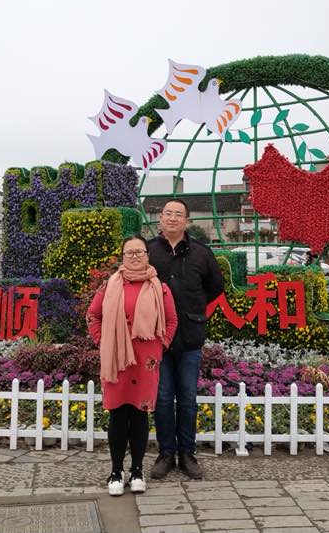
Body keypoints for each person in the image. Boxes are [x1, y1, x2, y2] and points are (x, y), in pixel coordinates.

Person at [87, 235, 178, 496]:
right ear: (122, 257)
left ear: (148, 255)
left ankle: (137, 470)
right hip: (116, 359)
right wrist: (103, 341)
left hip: (146, 361)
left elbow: (171, 321)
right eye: (130, 252)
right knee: (117, 414)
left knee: (139, 414)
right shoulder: (109, 285)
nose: (135, 256)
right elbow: (93, 315)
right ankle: (116, 471)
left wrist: (160, 346)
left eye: (140, 252)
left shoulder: (159, 287)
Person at [147, 199, 224, 480]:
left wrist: (194, 309)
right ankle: (166, 454)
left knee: (188, 399)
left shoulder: (202, 253)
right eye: (168, 213)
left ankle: (187, 454)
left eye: (178, 214)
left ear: (187, 221)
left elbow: (215, 287)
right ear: (160, 218)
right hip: (158, 338)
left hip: (190, 336)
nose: (172, 218)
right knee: (163, 398)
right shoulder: (149, 251)